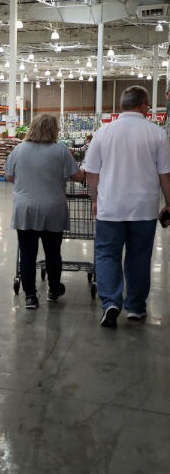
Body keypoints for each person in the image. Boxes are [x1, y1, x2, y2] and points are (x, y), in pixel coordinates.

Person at [84, 85, 170, 328]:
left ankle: (111, 302)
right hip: (143, 209)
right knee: (139, 257)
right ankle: (135, 307)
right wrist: (169, 204)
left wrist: (94, 199)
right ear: (143, 105)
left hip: (110, 207)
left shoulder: (103, 133)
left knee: (107, 254)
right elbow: (165, 175)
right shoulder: (156, 134)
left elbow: (91, 173)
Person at [5, 114, 85, 309]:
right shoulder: (61, 151)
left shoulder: (19, 149)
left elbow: (9, 176)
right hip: (53, 209)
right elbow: (77, 176)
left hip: (25, 209)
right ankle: (54, 290)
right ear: (54, 129)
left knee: (27, 254)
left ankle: (30, 296)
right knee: (52, 253)